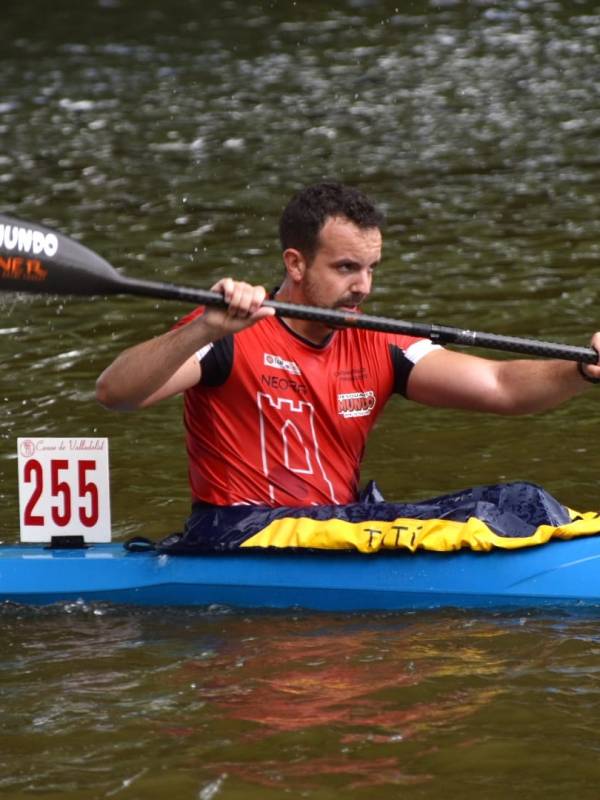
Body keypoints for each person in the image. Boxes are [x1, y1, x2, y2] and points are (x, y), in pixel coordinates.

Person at [96, 182, 600, 551]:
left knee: (522, 500)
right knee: (484, 518)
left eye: (370, 269)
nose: (363, 287)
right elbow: (116, 393)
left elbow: (499, 385)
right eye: (345, 269)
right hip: (239, 531)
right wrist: (204, 328)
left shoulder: (377, 342)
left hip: (336, 528)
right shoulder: (228, 333)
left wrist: (582, 369)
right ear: (296, 264)